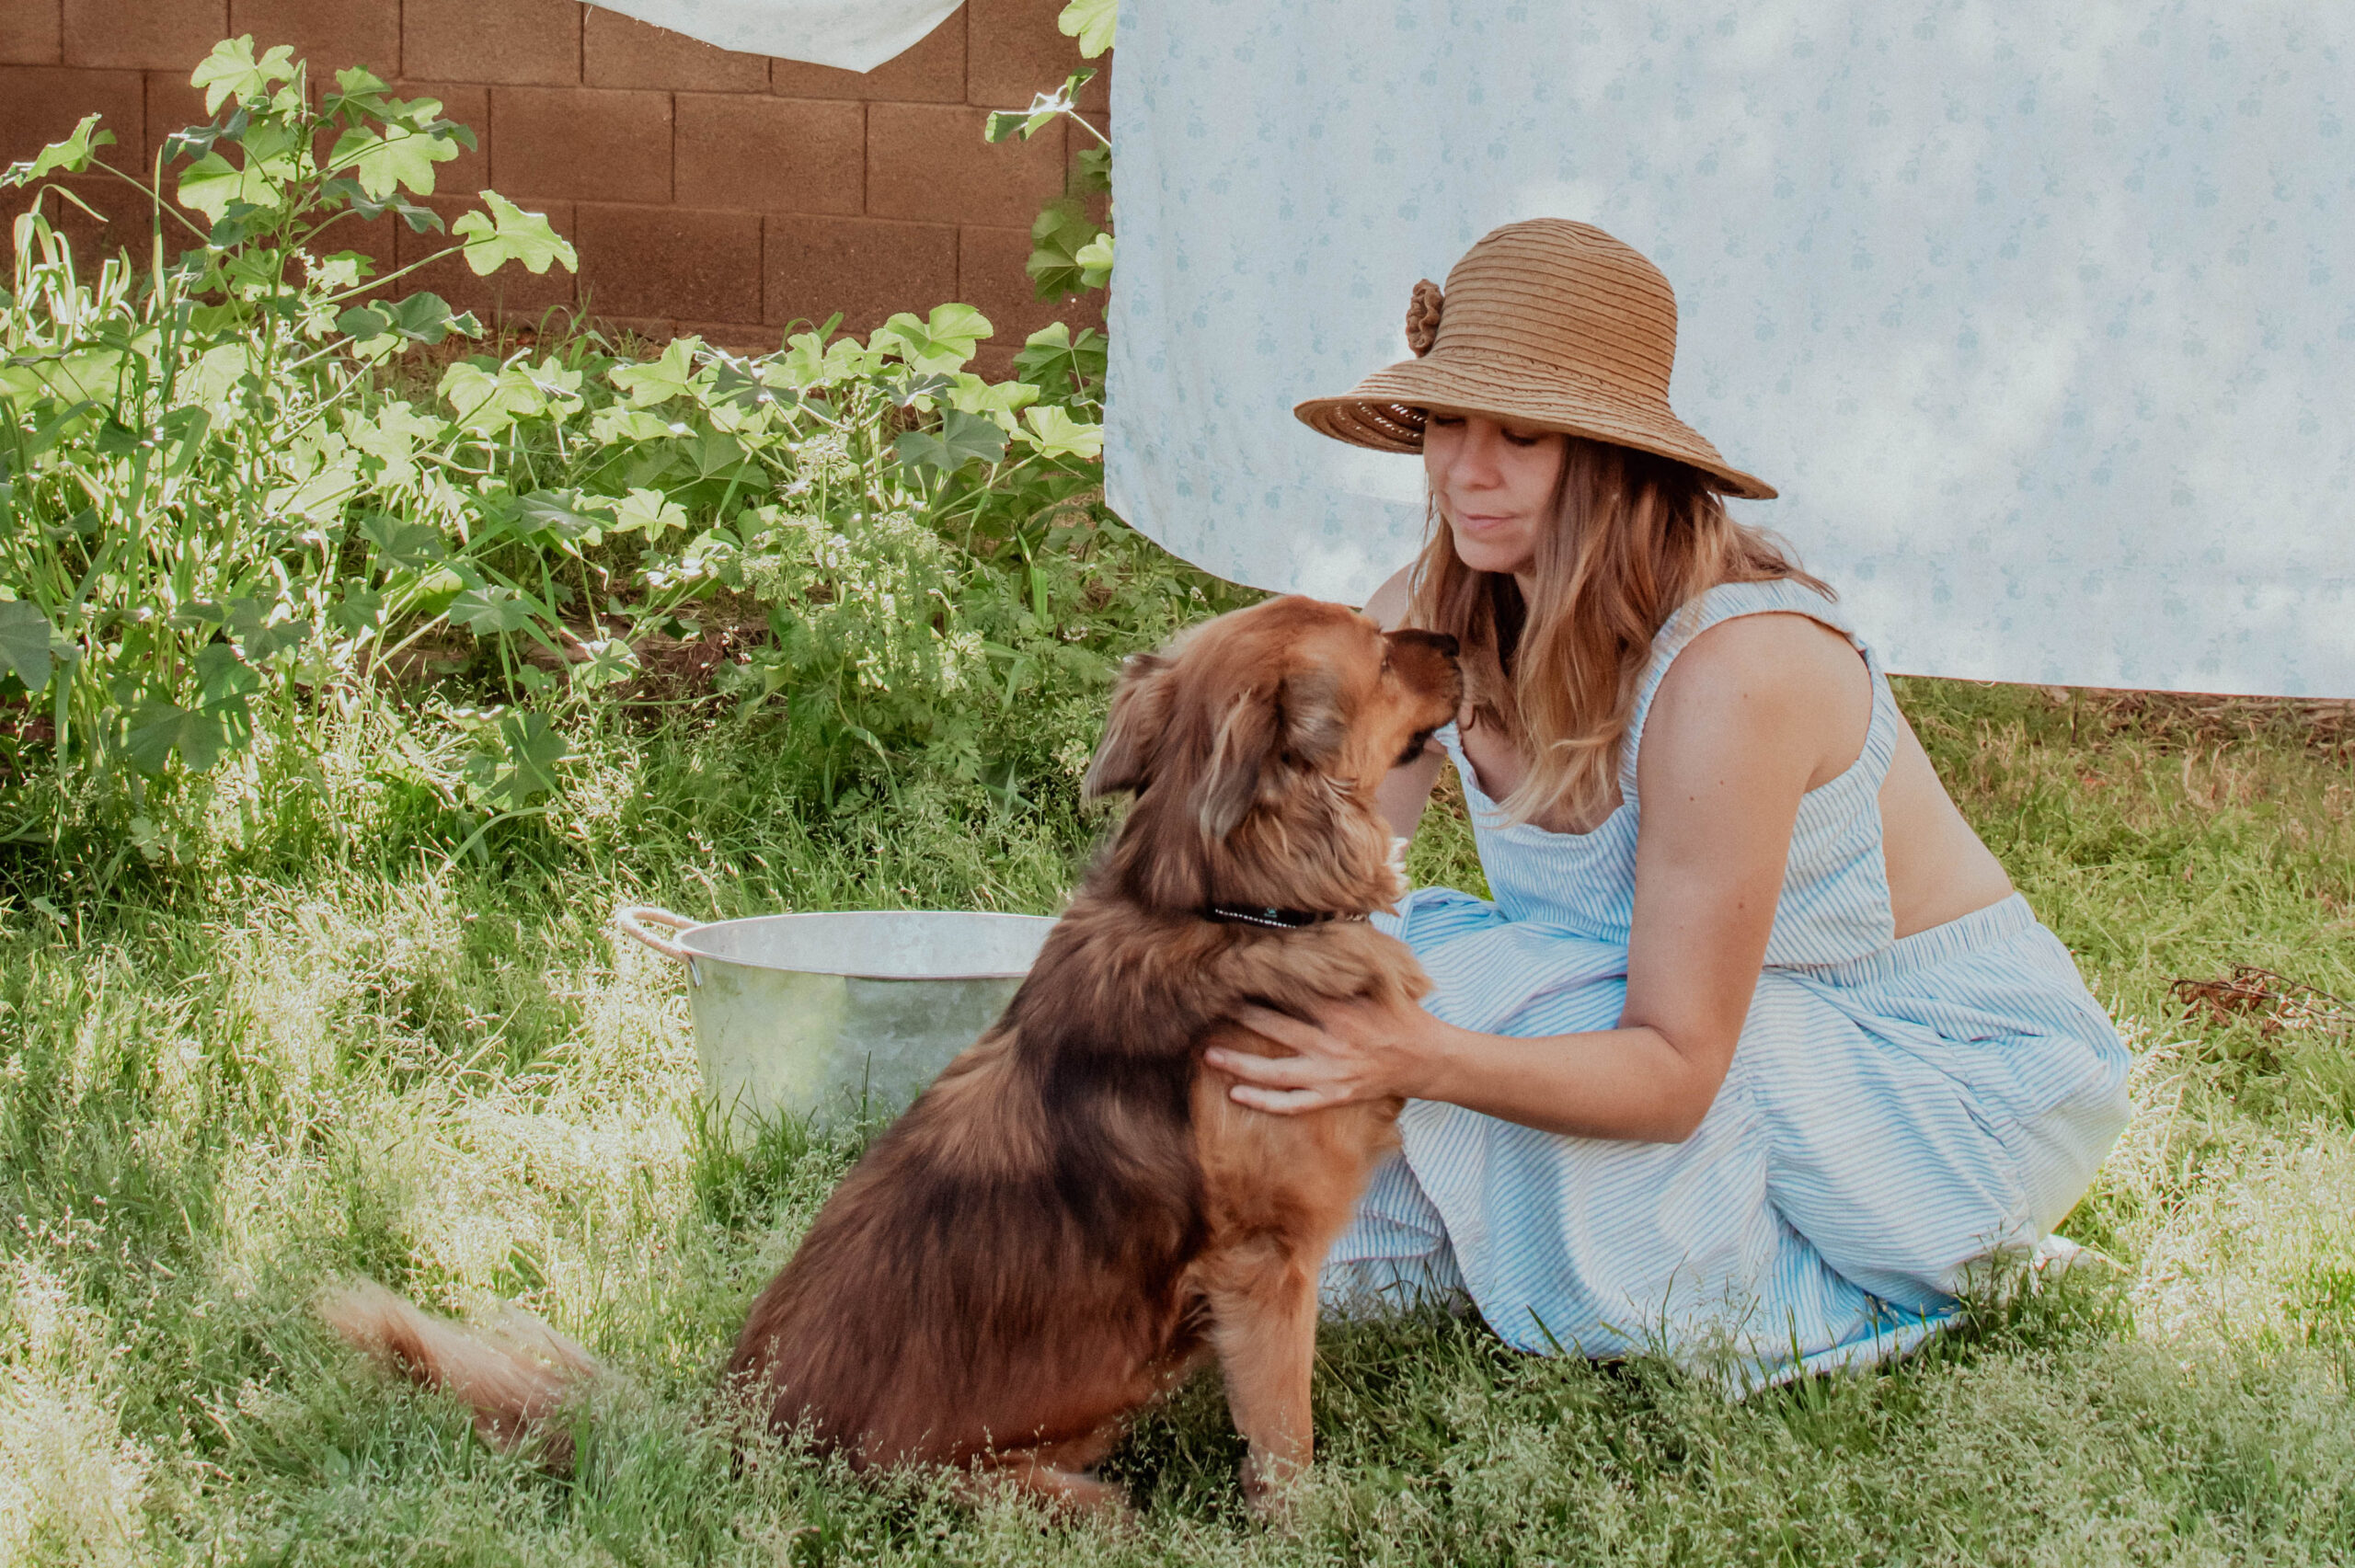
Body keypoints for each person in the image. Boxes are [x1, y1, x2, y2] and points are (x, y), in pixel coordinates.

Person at [1208, 219, 2131, 1379]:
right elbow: (1334, 891)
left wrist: (1413, 1056)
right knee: (1377, 1007)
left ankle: (1886, 1265)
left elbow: (1675, 1068)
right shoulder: (1431, 612)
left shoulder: (1736, 671)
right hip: (1645, 1020)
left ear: (1611, 454)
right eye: (1446, 421)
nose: (1463, 470)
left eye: (1521, 433)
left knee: (1494, 993)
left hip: (1930, 1091)